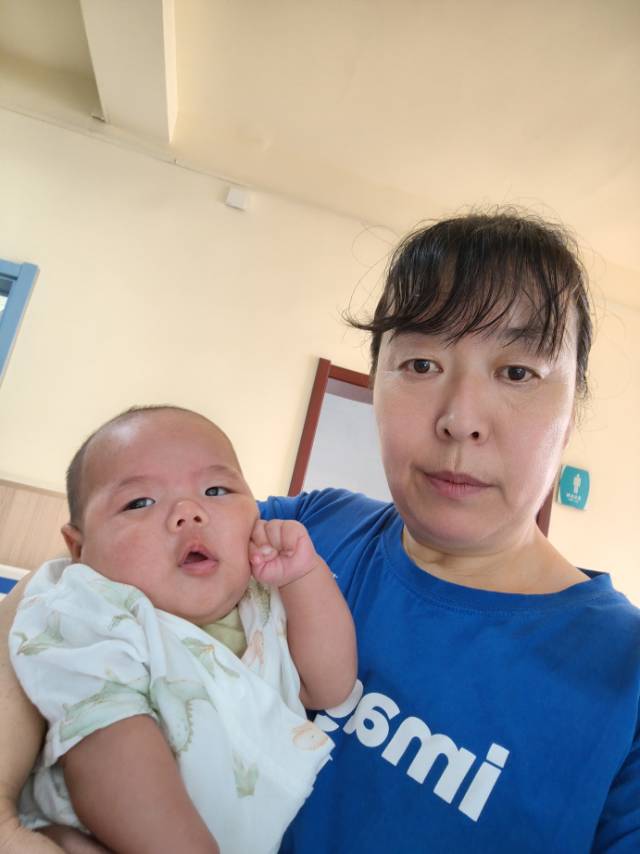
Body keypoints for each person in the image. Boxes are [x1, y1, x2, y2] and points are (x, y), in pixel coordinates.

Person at [1, 209, 639, 853]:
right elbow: (77, 587)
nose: (461, 419)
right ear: (376, 383)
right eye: (421, 364)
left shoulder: (624, 679)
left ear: (572, 410)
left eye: (518, 372)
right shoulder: (303, 531)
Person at [5, 406, 357, 854]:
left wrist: (304, 576)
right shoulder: (93, 612)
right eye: (140, 502)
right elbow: (108, 744)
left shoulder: (264, 600)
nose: (189, 513)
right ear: (79, 548)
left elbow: (327, 687)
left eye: (216, 490)